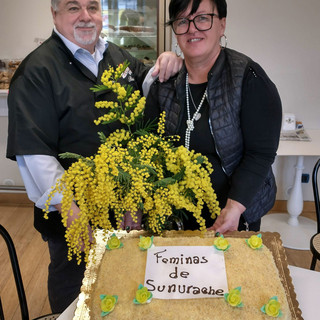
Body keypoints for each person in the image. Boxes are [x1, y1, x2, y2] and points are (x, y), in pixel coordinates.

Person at [6, 0, 182, 313]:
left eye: (93, 7)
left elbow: (145, 86)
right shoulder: (37, 70)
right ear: (55, 14)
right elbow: (35, 152)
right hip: (72, 212)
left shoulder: (115, 55)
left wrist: (167, 61)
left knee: (123, 280)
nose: (86, 17)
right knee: (76, 287)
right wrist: (71, 210)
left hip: (123, 205)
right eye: (74, 7)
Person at [144, 0, 282, 234]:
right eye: (182, 21)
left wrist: (235, 207)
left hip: (232, 217)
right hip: (174, 219)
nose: (192, 29)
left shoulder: (248, 78)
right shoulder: (164, 84)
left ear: (222, 24)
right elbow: (147, 147)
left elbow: (260, 154)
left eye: (202, 18)